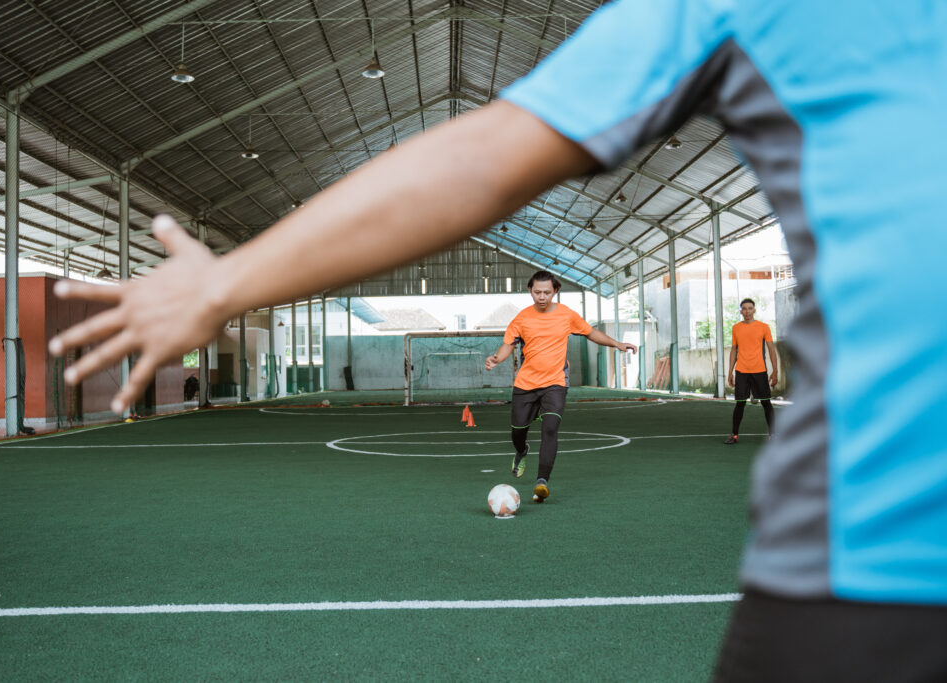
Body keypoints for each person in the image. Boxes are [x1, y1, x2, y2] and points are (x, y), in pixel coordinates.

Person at [50, 0, 947, 678]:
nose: (552, 290)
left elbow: (513, 204)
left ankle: (541, 470)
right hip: (884, 569)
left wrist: (622, 350)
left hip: (864, 565)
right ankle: (525, 455)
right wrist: (228, 283)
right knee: (524, 421)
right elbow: (482, 161)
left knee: (549, 427)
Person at [484, 271, 636, 503]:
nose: (542, 297)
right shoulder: (521, 318)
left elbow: (591, 332)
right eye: (537, 292)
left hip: (555, 382)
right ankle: (522, 450)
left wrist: (617, 344)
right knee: (517, 431)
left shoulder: (567, 315)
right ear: (530, 291)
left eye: (547, 292)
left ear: (555, 291)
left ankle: (542, 481)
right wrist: (497, 358)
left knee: (551, 428)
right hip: (525, 384)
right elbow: (508, 345)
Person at [724, 298, 777, 444]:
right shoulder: (736, 328)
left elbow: (771, 350)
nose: (747, 311)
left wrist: (775, 371)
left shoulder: (764, 327)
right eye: (744, 309)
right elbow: (734, 350)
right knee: (740, 403)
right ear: (741, 311)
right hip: (741, 371)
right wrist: (730, 371)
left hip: (760, 370)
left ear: (754, 310)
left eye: (750, 308)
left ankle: (773, 435)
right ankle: (734, 435)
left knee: (766, 403)